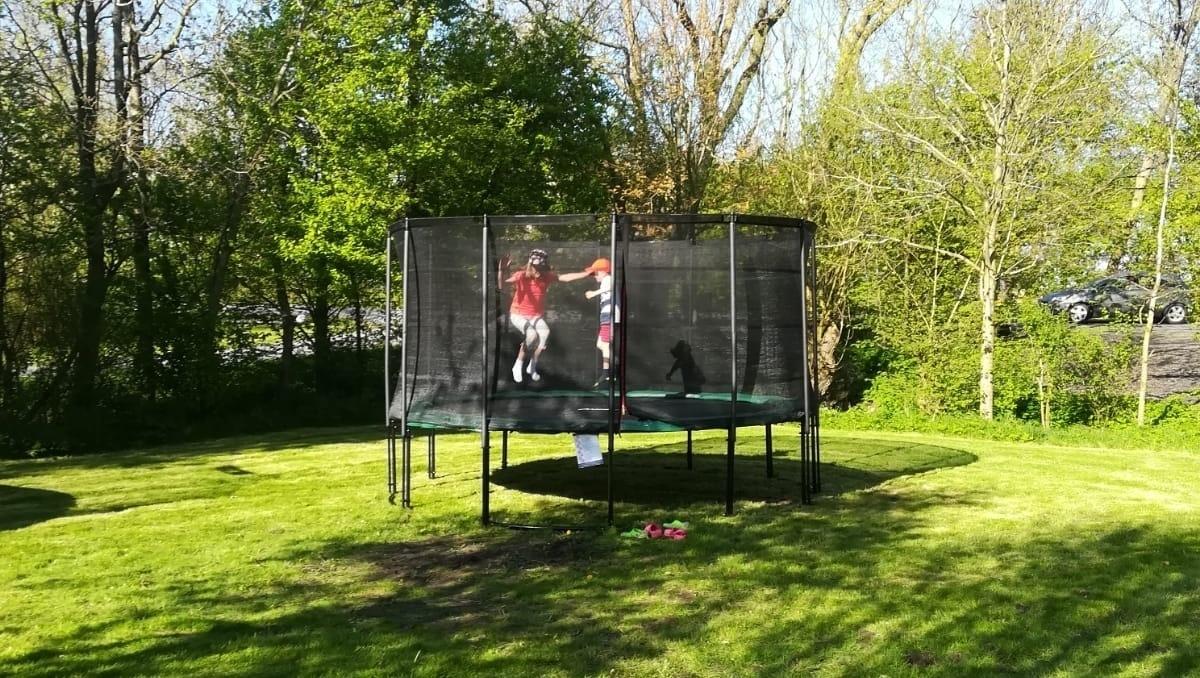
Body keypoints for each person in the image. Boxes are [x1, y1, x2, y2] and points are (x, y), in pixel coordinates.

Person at [498, 248, 590, 383]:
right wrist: (501, 271)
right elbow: (502, 286)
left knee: (545, 334)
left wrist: (586, 274)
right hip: (518, 314)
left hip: (535, 316)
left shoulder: (547, 276)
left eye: (540, 266)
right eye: (535, 266)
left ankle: (532, 365)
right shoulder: (521, 275)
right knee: (531, 335)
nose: (538, 270)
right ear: (531, 263)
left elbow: (565, 278)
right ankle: (517, 365)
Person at [583, 257, 619, 389]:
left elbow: (610, 287)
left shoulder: (608, 279)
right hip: (606, 316)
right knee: (601, 344)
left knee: (605, 345)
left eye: (595, 273)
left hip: (610, 316)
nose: (594, 276)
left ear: (603, 271)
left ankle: (607, 373)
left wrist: (594, 293)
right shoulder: (604, 280)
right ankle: (614, 367)